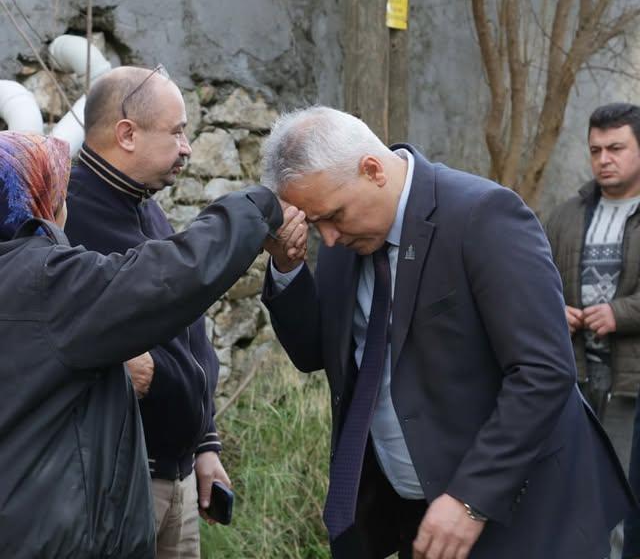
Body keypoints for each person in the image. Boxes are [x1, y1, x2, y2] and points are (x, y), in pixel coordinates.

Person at [261, 106, 634, 559]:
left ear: (373, 170)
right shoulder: (347, 236)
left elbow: (543, 370)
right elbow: (313, 353)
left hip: (522, 513)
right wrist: (286, 269)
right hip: (415, 516)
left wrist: (471, 498)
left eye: (333, 216)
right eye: (316, 223)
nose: (330, 238)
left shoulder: (483, 215)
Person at [0, 131, 283, 559]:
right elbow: (168, 279)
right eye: (59, 190)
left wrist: (203, 439)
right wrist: (256, 207)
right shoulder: (43, 281)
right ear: (39, 200)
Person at [62, 64, 236, 557]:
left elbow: (188, 330)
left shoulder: (147, 207)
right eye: (177, 132)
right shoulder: (66, 218)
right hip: (116, 485)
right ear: (127, 134)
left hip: (177, 479)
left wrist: (204, 443)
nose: (187, 148)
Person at [545, 102, 640, 559]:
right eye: (596, 149)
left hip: (631, 386)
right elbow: (534, 280)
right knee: (578, 491)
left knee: (624, 491)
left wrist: (619, 313)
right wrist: (552, 309)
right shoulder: (567, 215)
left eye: (616, 148)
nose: (604, 158)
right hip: (576, 379)